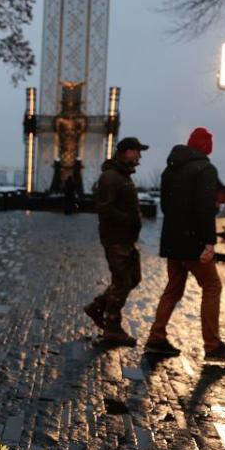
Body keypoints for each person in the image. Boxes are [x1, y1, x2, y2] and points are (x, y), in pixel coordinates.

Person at [143, 128, 225, 361]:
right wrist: (209, 242)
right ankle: (212, 346)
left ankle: (156, 338)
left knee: (173, 288)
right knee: (212, 287)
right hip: (193, 242)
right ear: (205, 147)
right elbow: (204, 208)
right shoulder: (205, 169)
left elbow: (166, 208)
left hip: (172, 240)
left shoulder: (169, 170)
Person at [84, 137, 147, 345]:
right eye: (137, 151)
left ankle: (97, 306)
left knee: (133, 278)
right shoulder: (111, 177)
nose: (139, 156)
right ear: (126, 152)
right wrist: (128, 220)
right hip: (116, 239)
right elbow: (105, 208)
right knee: (122, 282)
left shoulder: (123, 176)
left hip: (127, 239)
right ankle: (112, 326)